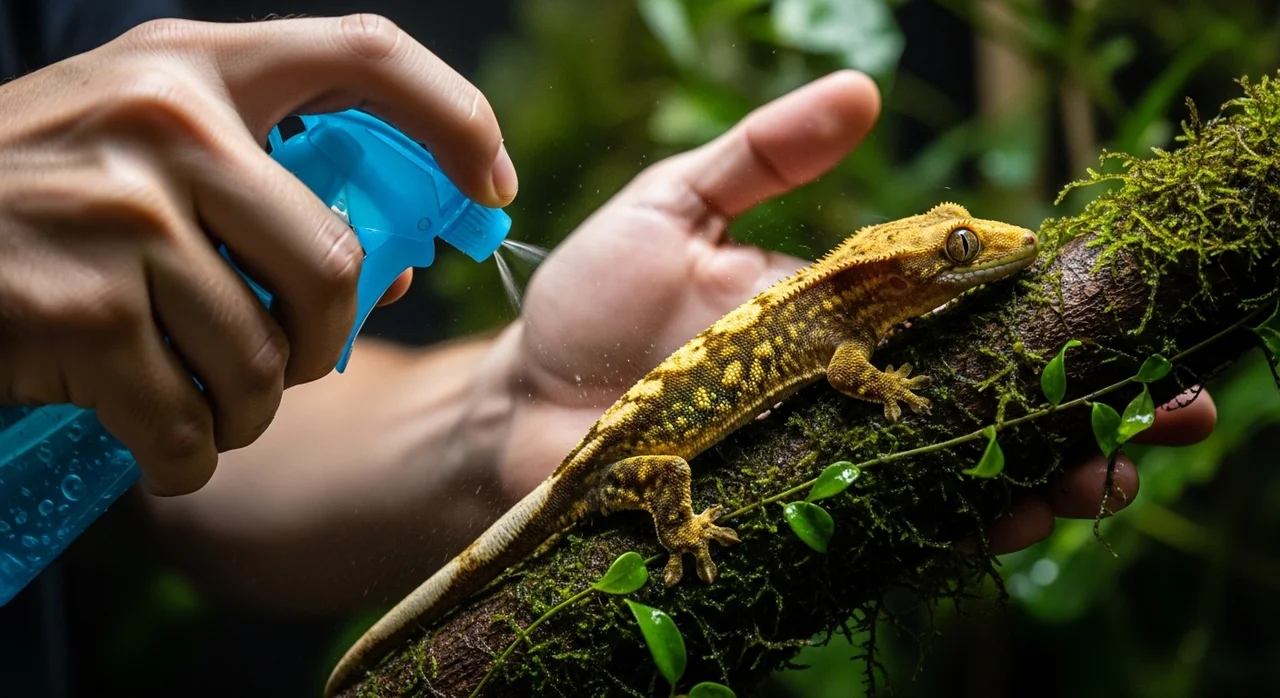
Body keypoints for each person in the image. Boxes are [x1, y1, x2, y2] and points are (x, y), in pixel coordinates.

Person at [0, 0, 1216, 684]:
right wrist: (681, 518)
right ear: (901, 271)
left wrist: (501, 408)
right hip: (640, 458)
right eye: (953, 251)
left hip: (602, 444)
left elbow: (173, 449)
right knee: (669, 482)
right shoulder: (848, 333)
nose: (982, 254)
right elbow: (845, 371)